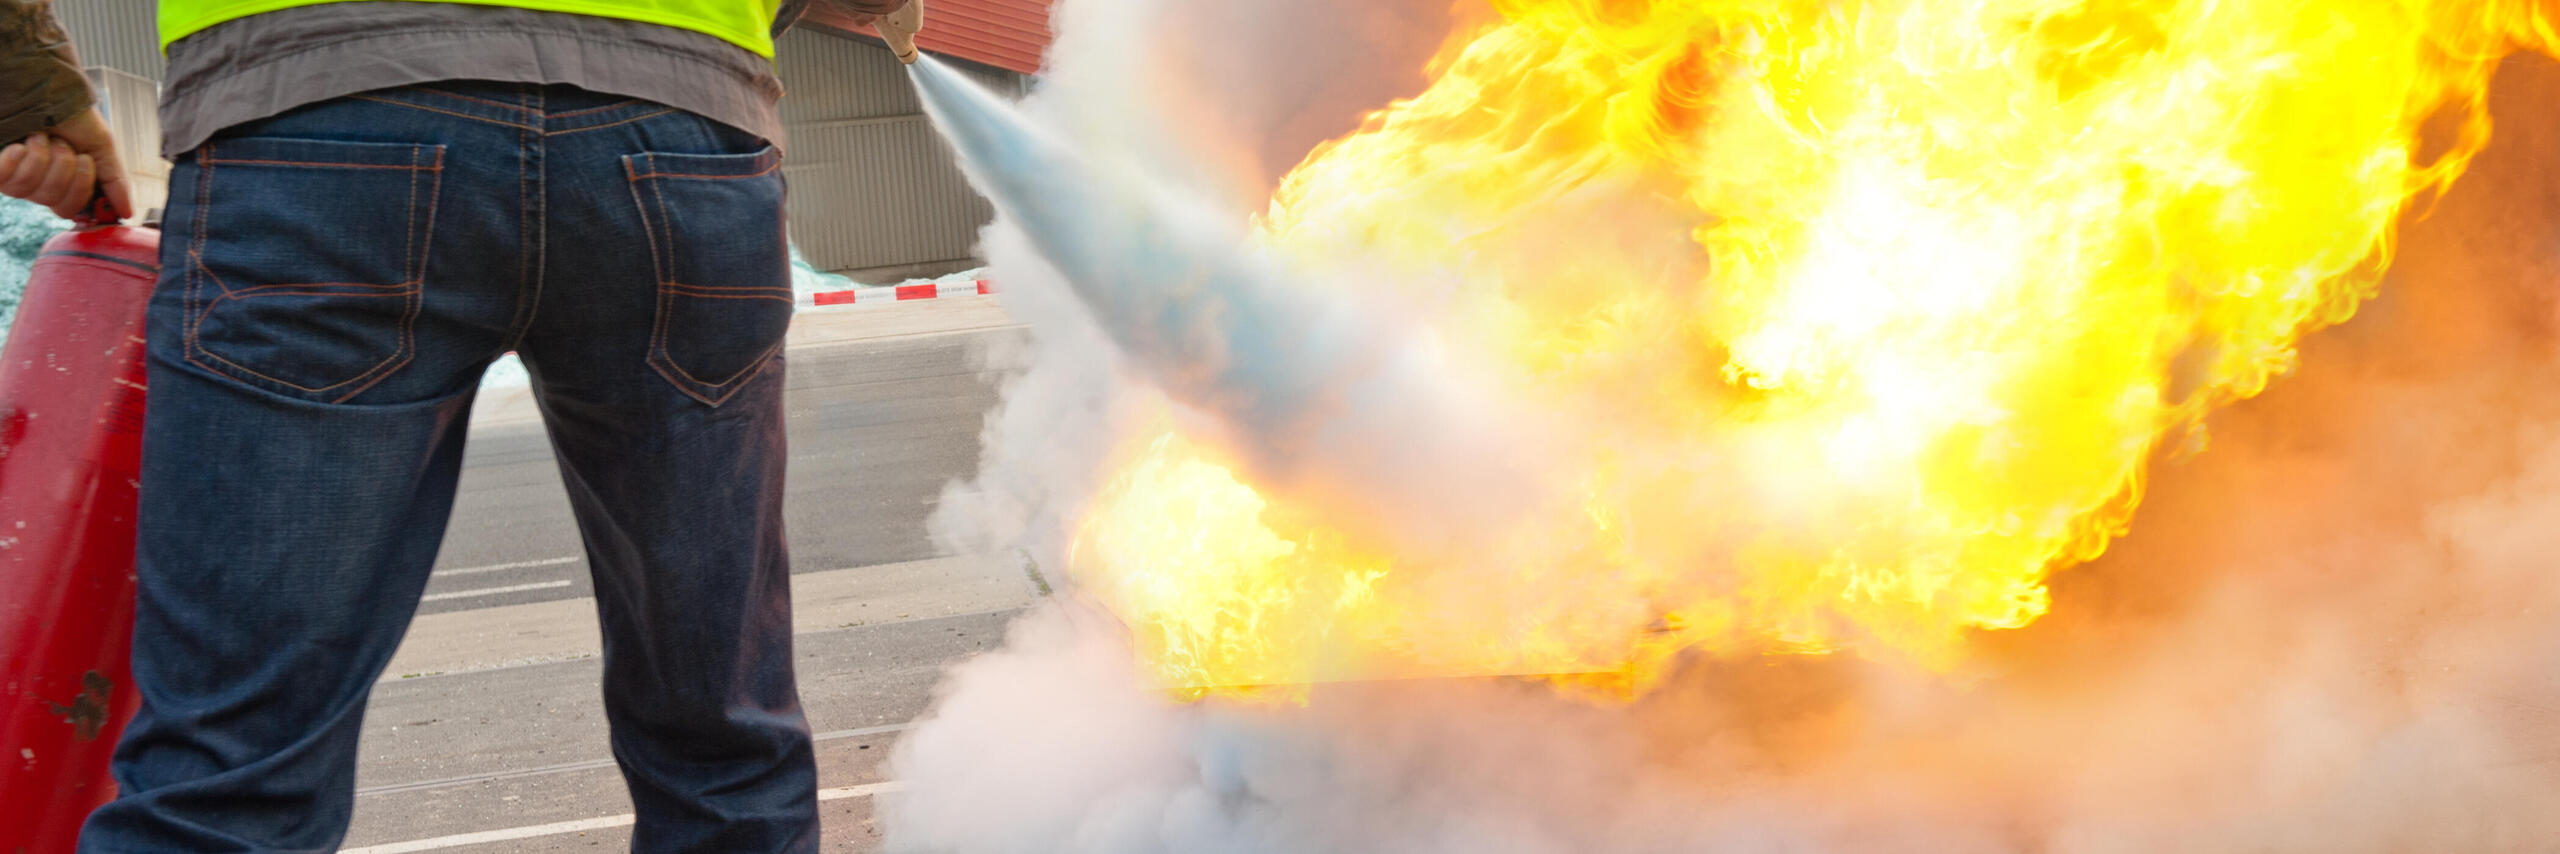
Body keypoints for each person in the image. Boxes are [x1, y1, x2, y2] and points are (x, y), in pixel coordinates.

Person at [0, 0, 916, 849]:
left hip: (317, 117)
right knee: (723, 740)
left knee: (233, 764)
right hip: (676, 135)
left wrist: (25, 86)